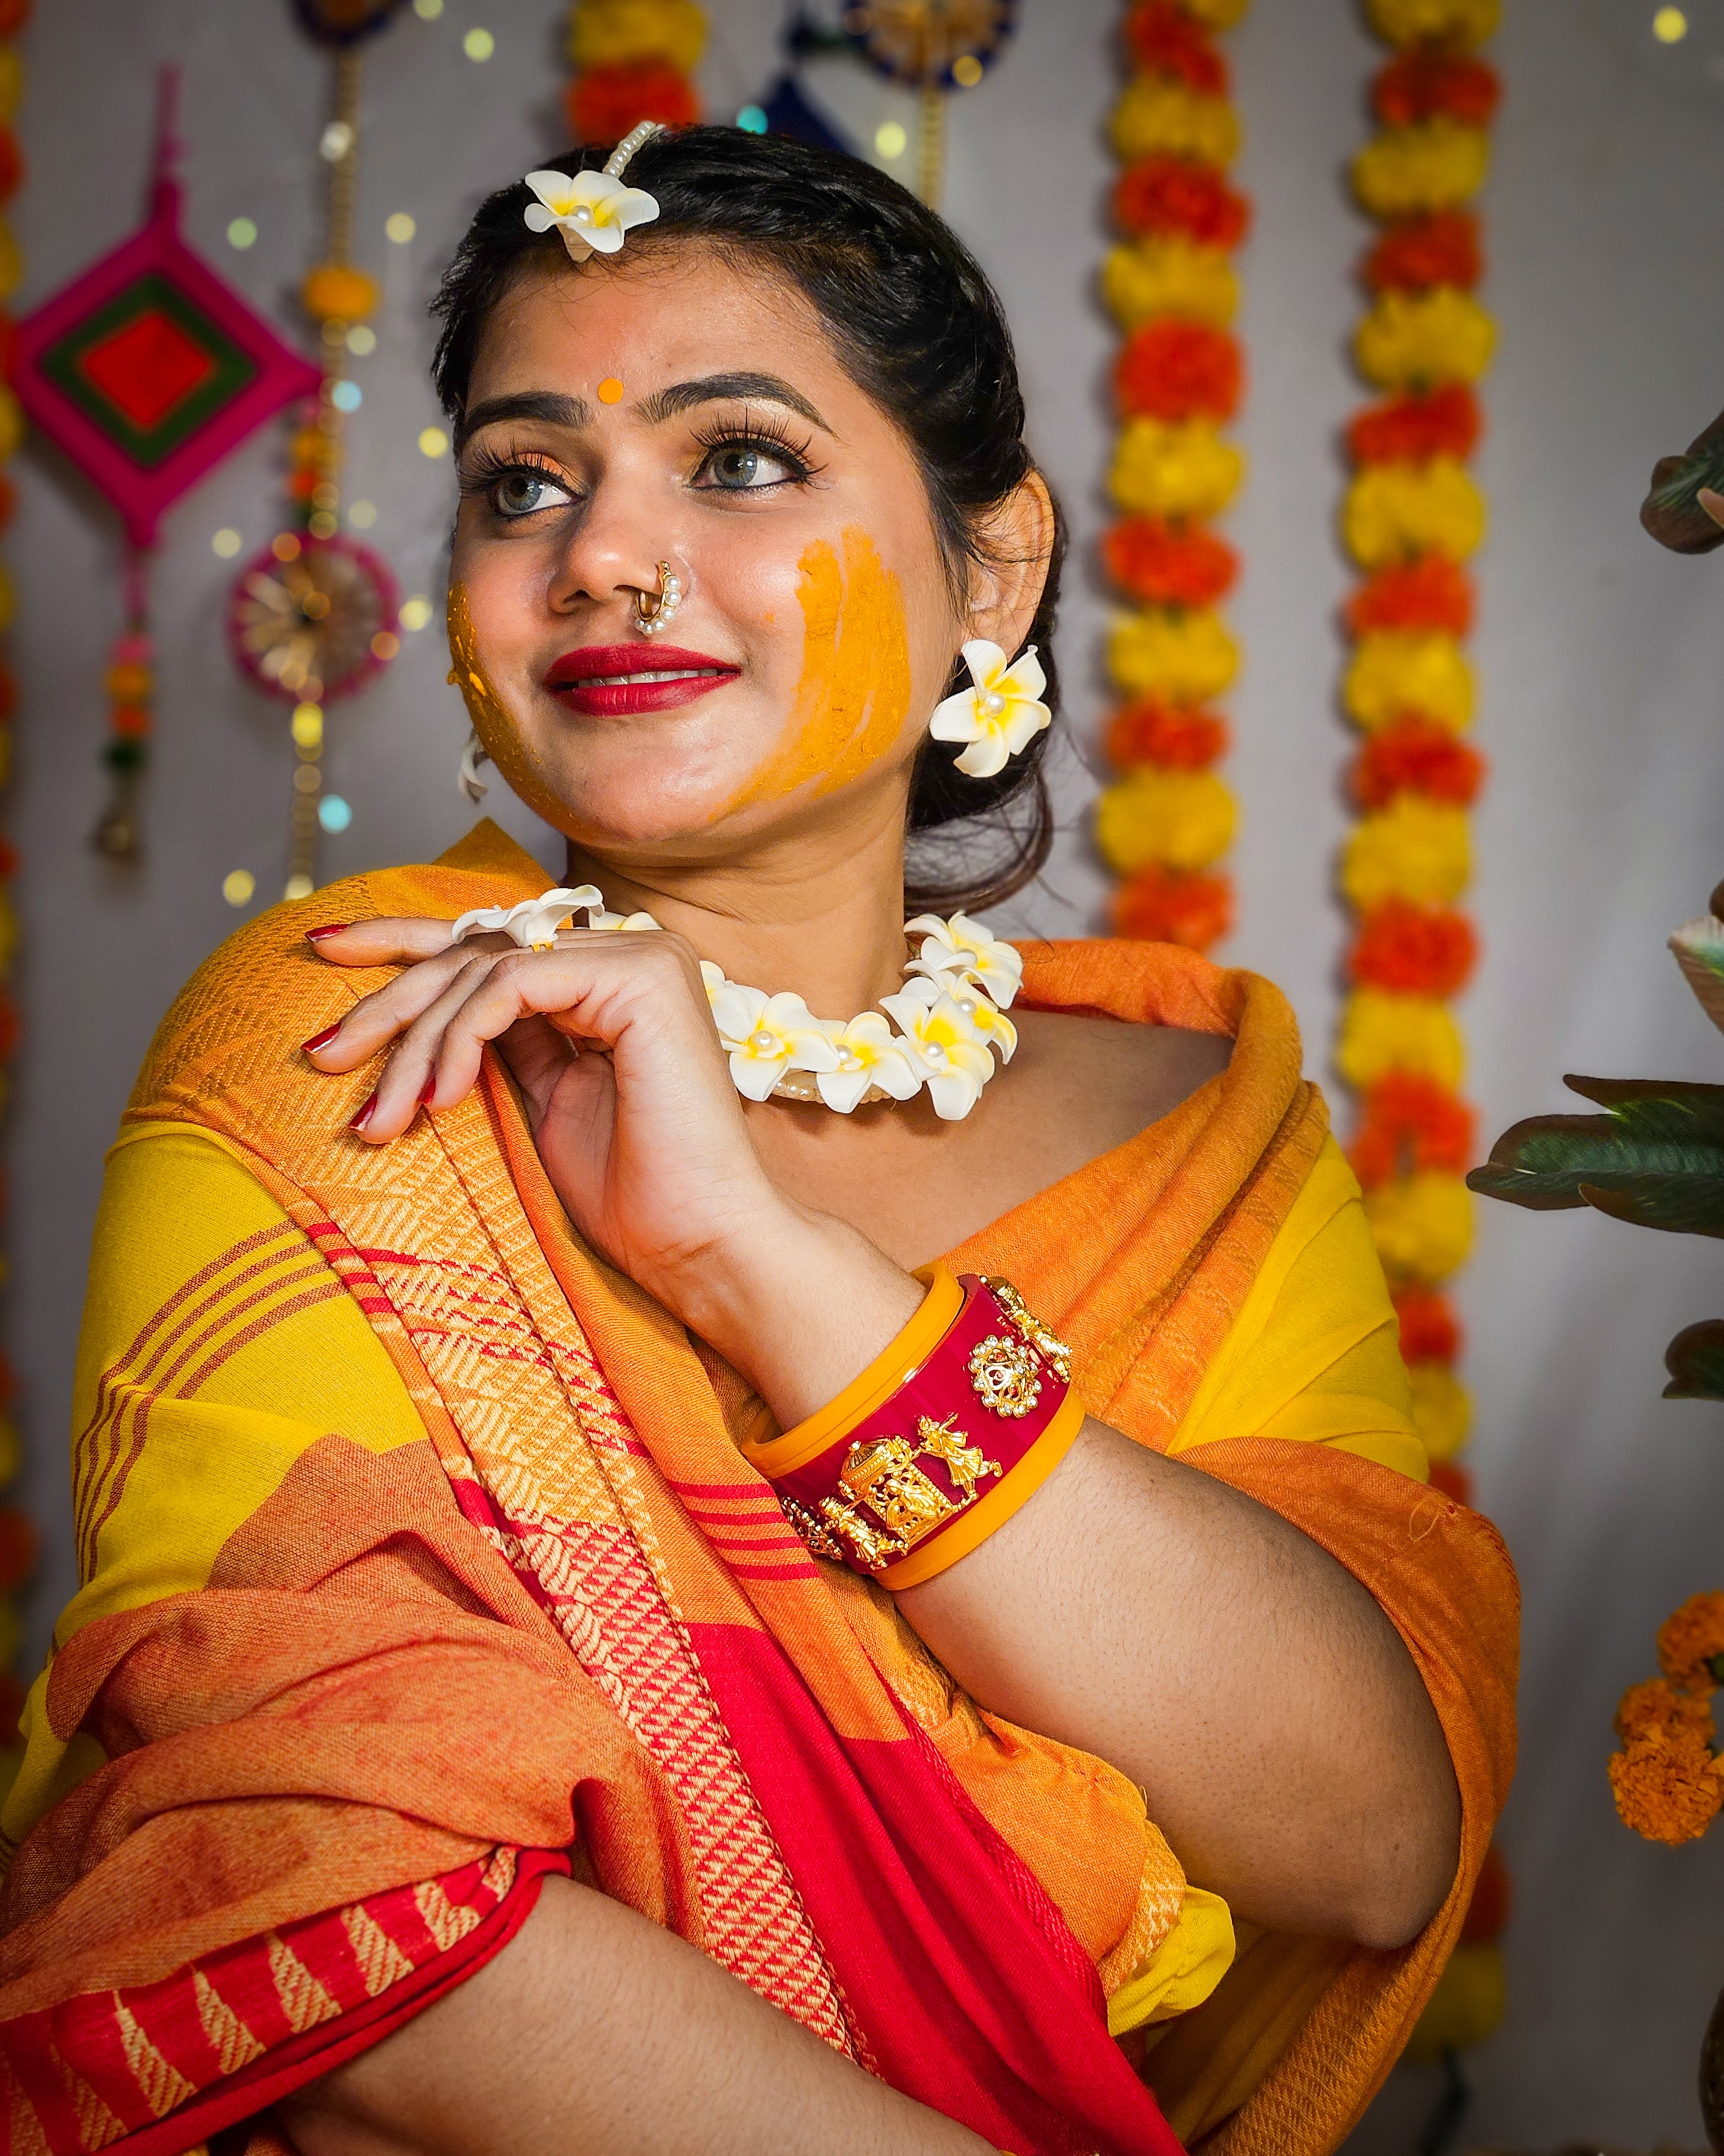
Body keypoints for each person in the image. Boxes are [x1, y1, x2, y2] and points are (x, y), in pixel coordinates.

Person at [0, 126, 1516, 2156]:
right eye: (525, 484)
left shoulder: (1200, 1128)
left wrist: (766, 1272)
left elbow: (1367, 1837)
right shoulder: (348, 1026)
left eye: (734, 460)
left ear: (993, 565)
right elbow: (309, 1865)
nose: (604, 556)